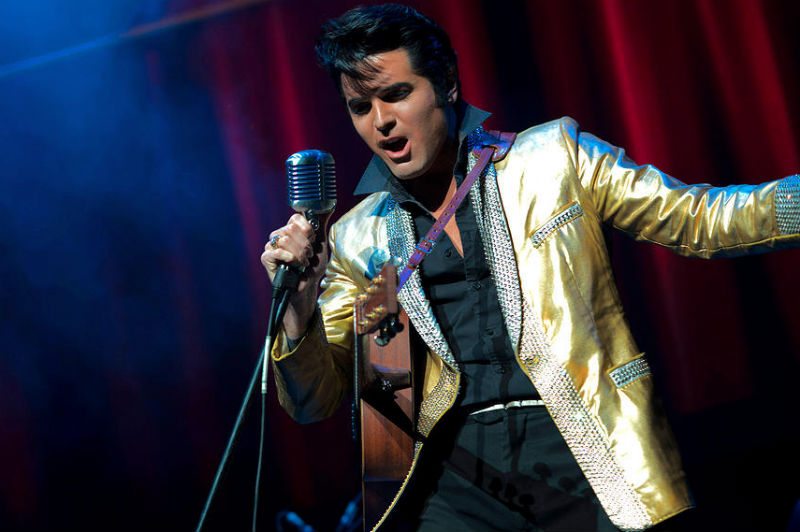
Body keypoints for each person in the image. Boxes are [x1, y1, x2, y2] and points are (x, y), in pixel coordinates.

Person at [261, 4, 800, 531]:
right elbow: (314, 400)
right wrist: (298, 311)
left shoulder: (551, 159)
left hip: (581, 441)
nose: (381, 121)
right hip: (452, 479)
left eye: (397, 94)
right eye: (360, 107)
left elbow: (699, 219)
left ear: (446, 84)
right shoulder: (357, 237)